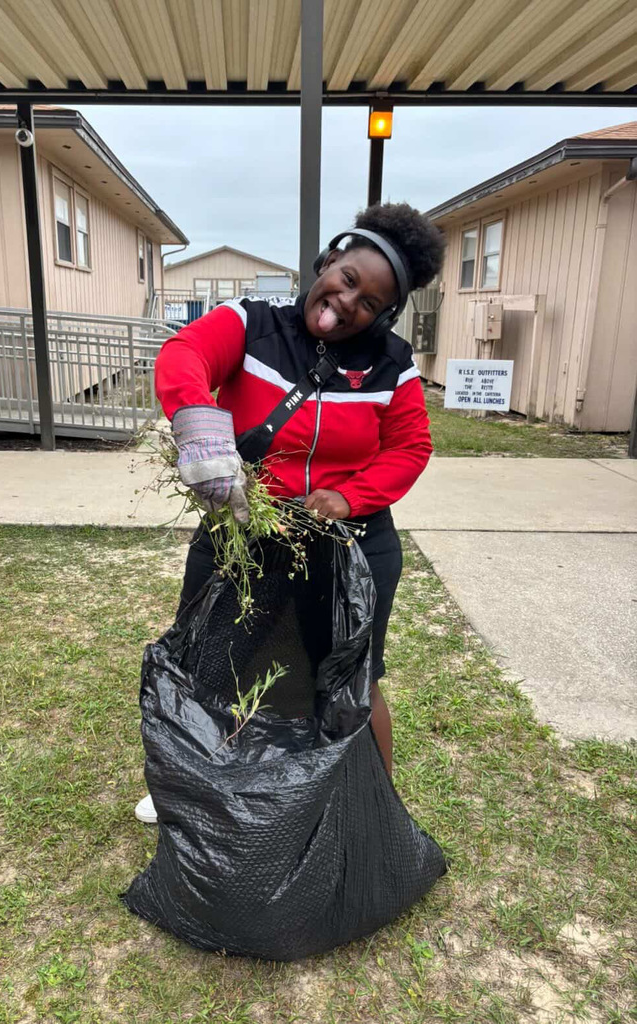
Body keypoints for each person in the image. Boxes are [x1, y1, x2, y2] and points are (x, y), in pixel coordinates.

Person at [134, 201, 445, 824]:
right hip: (243, 527)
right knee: (212, 663)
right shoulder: (251, 324)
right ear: (328, 261)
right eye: (347, 279)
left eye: (368, 302)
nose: (346, 302)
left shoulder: (391, 363)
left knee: (352, 677)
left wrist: (349, 497)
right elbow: (184, 357)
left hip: (351, 543)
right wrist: (203, 434)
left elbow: (410, 446)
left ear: (384, 314)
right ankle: (192, 783)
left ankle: (371, 805)